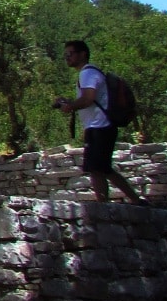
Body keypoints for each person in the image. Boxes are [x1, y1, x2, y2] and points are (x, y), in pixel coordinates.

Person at [55, 40, 146, 204]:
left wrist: (69, 106)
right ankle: (136, 201)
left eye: (70, 54)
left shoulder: (87, 73)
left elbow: (88, 99)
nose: (67, 57)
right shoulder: (91, 73)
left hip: (100, 127)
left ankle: (103, 207)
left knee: (96, 169)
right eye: (65, 55)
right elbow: (90, 99)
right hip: (100, 127)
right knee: (104, 168)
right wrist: (70, 102)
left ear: (82, 54)